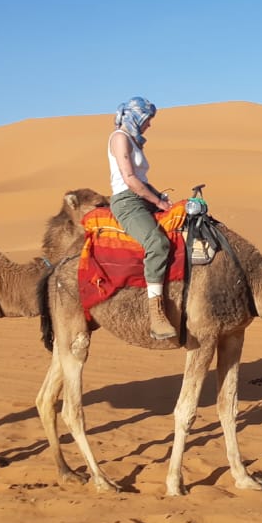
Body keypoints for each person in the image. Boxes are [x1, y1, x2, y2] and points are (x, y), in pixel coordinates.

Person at [107, 96, 177, 340]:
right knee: (157, 244)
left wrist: (162, 198)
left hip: (143, 197)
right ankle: (156, 315)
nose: (149, 125)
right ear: (137, 116)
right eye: (148, 119)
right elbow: (130, 179)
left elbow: (143, 180)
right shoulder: (119, 138)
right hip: (127, 202)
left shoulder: (134, 142)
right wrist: (157, 202)